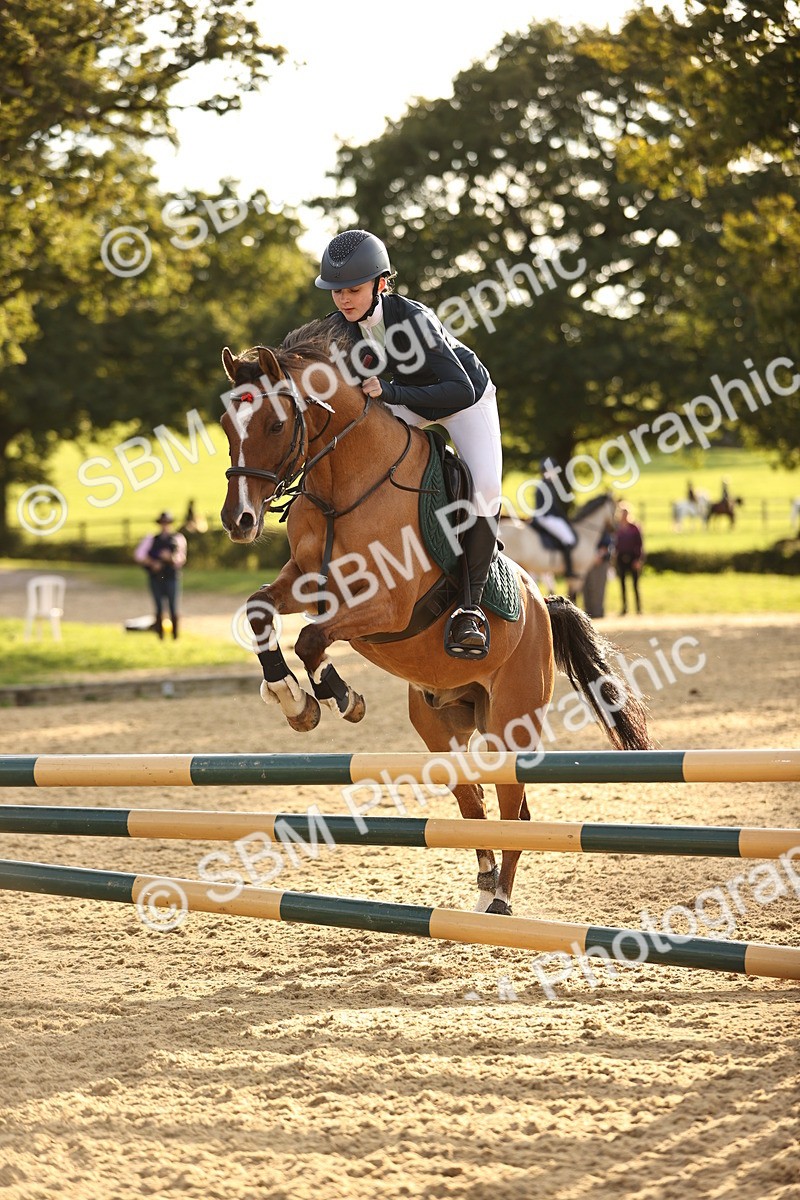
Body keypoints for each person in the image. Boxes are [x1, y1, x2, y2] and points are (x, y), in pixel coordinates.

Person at [315, 229, 503, 660]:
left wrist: (393, 393)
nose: (344, 300)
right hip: (401, 397)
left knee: (488, 488)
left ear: (381, 284)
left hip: (464, 399)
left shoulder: (414, 320)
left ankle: (470, 609)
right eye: (337, 291)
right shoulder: (337, 331)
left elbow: (455, 388)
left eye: (354, 290)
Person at [134, 512, 187, 639]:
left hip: (171, 575)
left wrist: (169, 558)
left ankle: (175, 635)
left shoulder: (177, 538)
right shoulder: (152, 539)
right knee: (158, 606)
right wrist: (153, 563)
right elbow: (139, 555)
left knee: (173, 606)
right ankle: (160, 635)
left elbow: (181, 558)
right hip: (156, 576)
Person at [529, 457, 578, 581]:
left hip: (544, 517)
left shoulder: (547, 485)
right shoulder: (546, 487)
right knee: (568, 538)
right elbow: (554, 508)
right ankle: (569, 570)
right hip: (546, 518)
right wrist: (565, 519)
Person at [614, 506, 644, 615]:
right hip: (621, 557)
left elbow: (640, 544)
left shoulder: (634, 528)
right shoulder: (617, 528)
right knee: (622, 584)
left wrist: (638, 559)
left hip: (633, 557)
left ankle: (638, 608)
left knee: (635, 584)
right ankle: (624, 608)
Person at [581, 527, 613, 619]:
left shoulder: (603, 528)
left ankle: (598, 612)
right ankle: (588, 612)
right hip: (588, 560)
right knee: (587, 587)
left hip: (601, 561)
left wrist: (599, 555)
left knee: (598, 587)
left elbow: (607, 544)